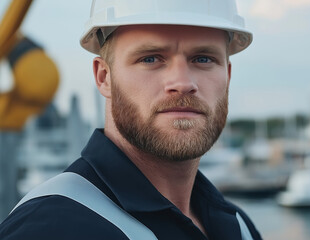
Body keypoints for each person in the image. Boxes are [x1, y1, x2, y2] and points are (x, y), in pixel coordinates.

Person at [0, 0, 262, 239]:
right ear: (104, 77)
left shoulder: (240, 227)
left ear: (227, 75)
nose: (183, 83)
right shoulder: (51, 228)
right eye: (150, 58)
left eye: (203, 59)